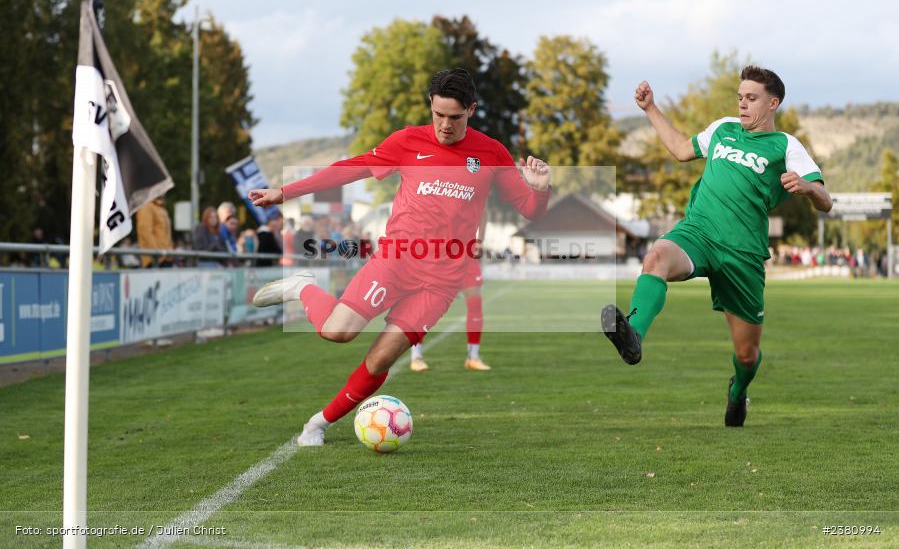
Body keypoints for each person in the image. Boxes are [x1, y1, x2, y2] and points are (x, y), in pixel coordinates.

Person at [248, 68, 551, 447]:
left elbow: (530, 209)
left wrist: (540, 190)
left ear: (471, 110)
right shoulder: (408, 141)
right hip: (396, 262)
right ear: (430, 106)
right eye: (438, 115)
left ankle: (316, 425)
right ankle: (303, 287)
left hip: (441, 282)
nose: (444, 125)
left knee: (381, 360)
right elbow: (350, 169)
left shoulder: (491, 152)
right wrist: (286, 191)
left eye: (455, 118)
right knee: (337, 332)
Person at [602, 66, 833, 428]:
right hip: (700, 232)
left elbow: (826, 200)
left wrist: (808, 188)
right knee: (656, 257)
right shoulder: (724, 129)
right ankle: (633, 334)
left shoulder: (786, 145)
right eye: (740, 97)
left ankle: (738, 391)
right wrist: (650, 109)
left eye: (751, 98)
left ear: (773, 103)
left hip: (743, 254)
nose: (742, 104)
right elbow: (680, 149)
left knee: (746, 355)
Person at [409, 209, 490, 371]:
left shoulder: (476, 184)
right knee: (425, 306)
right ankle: (416, 357)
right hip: (437, 251)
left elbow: (482, 210)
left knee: (475, 303)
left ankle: (473, 357)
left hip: (465, 252)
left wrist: (479, 241)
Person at [136, 196, 174, 267]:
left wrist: (170, 252)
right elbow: (146, 232)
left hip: (166, 257)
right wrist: (157, 254)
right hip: (155, 260)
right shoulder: (146, 206)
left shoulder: (161, 208)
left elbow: (167, 234)